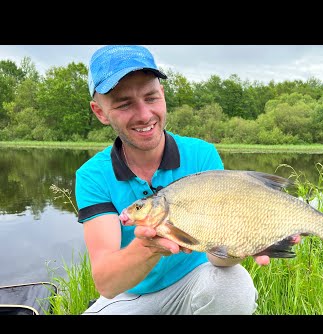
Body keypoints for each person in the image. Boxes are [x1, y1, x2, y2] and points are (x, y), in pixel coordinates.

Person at [75, 45, 300, 315]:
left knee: (234, 284)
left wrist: (239, 245)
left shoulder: (201, 155)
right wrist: (149, 248)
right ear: (100, 112)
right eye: (124, 104)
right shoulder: (92, 176)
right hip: (132, 295)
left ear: (163, 95)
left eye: (151, 97)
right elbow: (107, 284)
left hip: (196, 283)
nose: (145, 115)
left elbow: (218, 258)